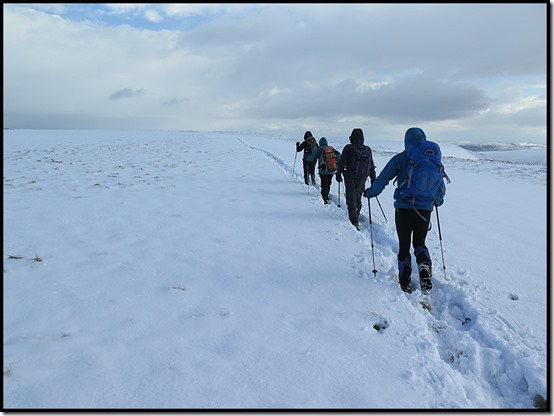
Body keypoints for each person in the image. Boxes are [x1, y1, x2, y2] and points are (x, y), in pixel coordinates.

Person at [363, 127, 446, 294]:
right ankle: (424, 268)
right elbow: (441, 187)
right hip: (425, 210)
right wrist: (437, 201)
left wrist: (370, 193)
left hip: (403, 208)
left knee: (404, 245)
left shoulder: (401, 158)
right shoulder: (432, 159)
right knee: (420, 243)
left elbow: (383, 179)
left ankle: (405, 280)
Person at [335, 128, 376, 230]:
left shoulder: (348, 148)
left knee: (351, 198)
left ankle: (354, 221)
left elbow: (342, 163)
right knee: (358, 197)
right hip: (362, 178)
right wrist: (373, 179)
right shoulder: (367, 150)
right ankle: (356, 214)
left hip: (350, 177)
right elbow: (371, 166)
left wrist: (338, 174)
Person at [306, 137, 341, 204]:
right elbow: (339, 154)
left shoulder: (319, 149)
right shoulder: (331, 149)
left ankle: (325, 198)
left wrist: (307, 158)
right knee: (328, 183)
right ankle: (326, 195)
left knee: (324, 184)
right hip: (331, 170)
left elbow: (312, 157)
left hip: (323, 171)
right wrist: (339, 163)